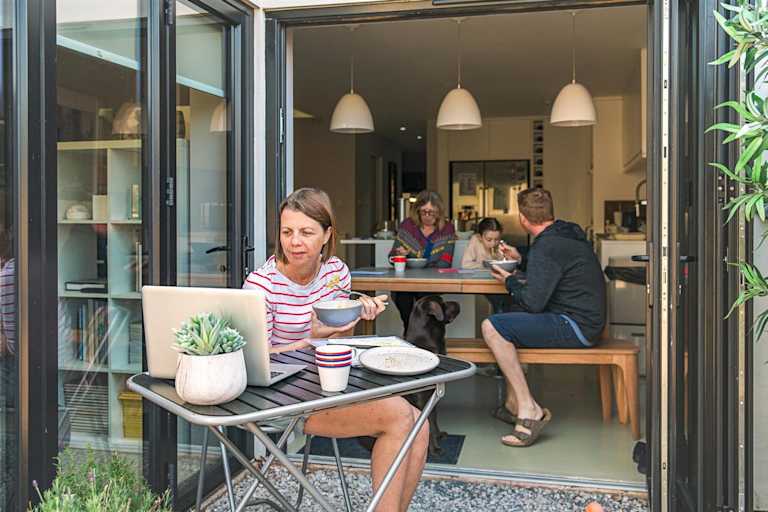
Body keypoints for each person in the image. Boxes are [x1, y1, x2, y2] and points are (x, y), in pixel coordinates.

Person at [243, 188, 429, 512]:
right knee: (401, 416)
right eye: (287, 232)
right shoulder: (261, 286)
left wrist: (357, 313)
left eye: (306, 232)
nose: (295, 241)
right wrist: (309, 340)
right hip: (283, 398)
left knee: (421, 422)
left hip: (332, 384)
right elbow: (258, 361)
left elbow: (340, 340)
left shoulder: (335, 273)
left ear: (327, 234)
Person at [481, 188, 606, 447]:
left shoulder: (546, 246)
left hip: (575, 325)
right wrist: (523, 258)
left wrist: (511, 281)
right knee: (506, 319)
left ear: (523, 219)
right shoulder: (564, 235)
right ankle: (512, 402)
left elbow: (532, 303)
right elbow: (554, 269)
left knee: (493, 326)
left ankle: (529, 409)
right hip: (587, 321)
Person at [389, 190, 456, 331]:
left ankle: (423, 340)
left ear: (439, 212)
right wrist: (401, 255)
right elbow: (392, 257)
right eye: (424, 212)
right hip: (407, 282)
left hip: (432, 282)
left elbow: (445, 262)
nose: (427, 216)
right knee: (403, 298)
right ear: (417, 210)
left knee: (428, 306)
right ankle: (410, 333)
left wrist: (420, 262)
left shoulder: (447, 228)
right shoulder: (407, 226)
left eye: (432, 212)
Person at [460, 217, 520, 314]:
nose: (493, 243)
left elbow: (509, 264)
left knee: (509, 300)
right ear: (480, 237)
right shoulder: (475, 240)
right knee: (499, 302)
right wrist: (484, 264)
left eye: (496, 239)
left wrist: (509, 258)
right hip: (482, 282)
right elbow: (465, 264)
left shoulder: (500, 245)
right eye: (489, 239)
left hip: (499, 282)